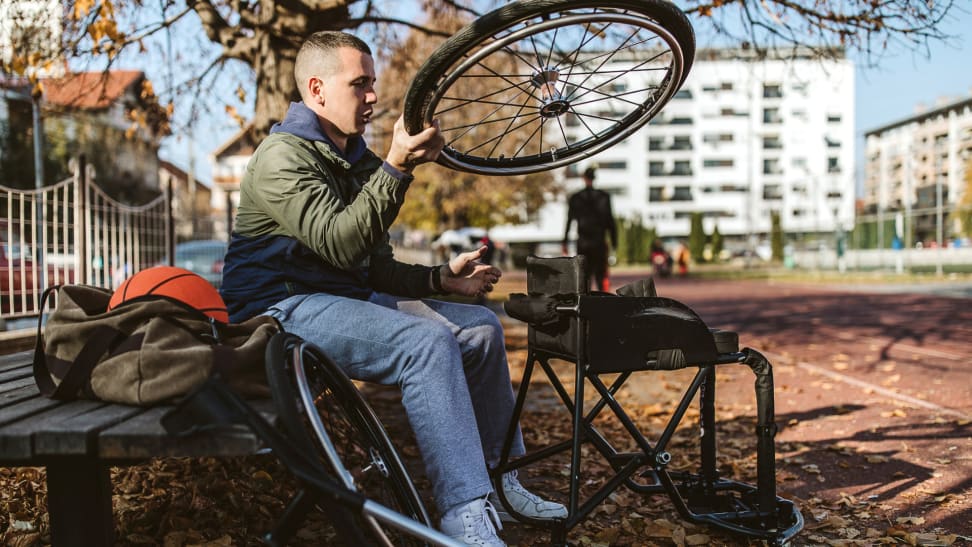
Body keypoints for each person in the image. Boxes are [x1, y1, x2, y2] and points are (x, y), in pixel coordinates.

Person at [219, 31, 565, 546]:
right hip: (279, 308)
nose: (373, 97)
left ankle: (500, 481)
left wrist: (439, 279)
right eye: (359, 84)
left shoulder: (353, 159)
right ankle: (462, 513)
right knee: (424, 345)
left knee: (481, 330)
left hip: (338, 299)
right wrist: (396, 166)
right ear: (317, 89)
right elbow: (340, 244)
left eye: (373, 84)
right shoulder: (281, 157)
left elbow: (371, 266)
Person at [562, 166, 618, 291]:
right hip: (599, 243)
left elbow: (569, 220)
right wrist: (614, 242)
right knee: (600, 277)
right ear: (594, 178)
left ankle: (585, 307)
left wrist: (565, 241)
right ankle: (602, 306)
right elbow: (611, 221)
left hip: (583, 244)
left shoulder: (576, 198)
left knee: (584, 279)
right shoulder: (604, 197)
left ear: (584, 178)